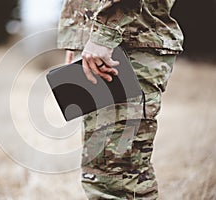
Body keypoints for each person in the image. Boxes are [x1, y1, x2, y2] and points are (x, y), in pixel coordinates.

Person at [57, 0, 183, 199]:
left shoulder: (109, 34)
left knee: (116, 179)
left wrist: (103, 34)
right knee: (105, 173)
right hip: (114, 40)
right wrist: (79, 35)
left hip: (125, 42)